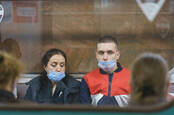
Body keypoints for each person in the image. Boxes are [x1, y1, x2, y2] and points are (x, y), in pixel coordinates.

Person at [80, 36, 130, 107]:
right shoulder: (87, 79)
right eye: (101, 53)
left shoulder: (133, 78)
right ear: (96, 55)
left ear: (117, 55)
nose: (105, 57)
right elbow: (85, 111)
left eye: (110, 52)